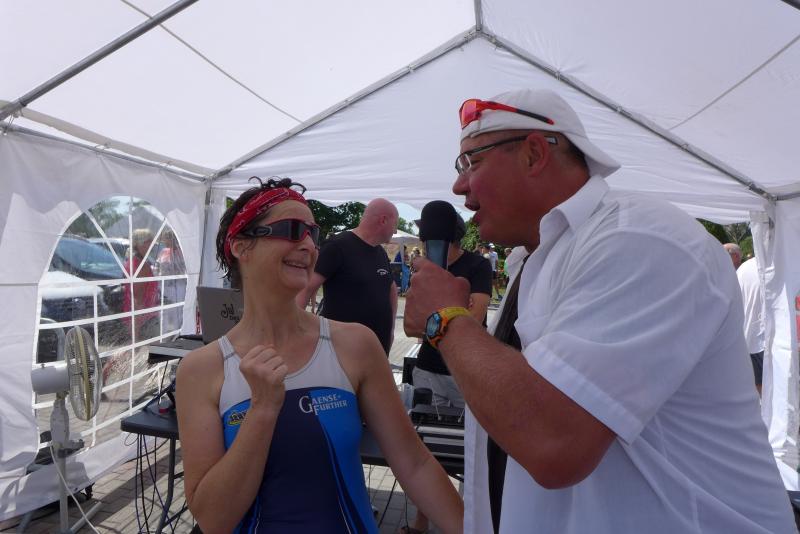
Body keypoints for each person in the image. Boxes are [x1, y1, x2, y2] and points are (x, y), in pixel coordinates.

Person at [403, 89, 794, 533]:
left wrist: (444, 318)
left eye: (471, 162)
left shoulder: (640, 238)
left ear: (534, 154)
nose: (459, 186)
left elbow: (553, 442)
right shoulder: (537, 258)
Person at [176, 178, 462, 534]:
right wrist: (262, 410)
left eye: (313, 233)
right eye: (292, 230)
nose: (310, 245)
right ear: (241, 246)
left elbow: (415, 464)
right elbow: (213, 520)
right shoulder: (201, 369)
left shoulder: (355, 344)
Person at [402, 209, 492, 534]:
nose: (427, 245)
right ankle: (421, 522)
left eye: (430, 237)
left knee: (470, 450)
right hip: (429, 368)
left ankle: (468, 522)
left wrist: (434, 321)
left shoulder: (477, 265)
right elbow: (411, 326)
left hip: (467, 371)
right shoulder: (425, 269)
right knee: (426, 449)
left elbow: (476, 316)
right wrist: (451, 318)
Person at [297, 198, 399, 355]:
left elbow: (391, 289)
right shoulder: (338, 246)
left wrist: (391, 330)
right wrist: (295, 331)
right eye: (395, 224)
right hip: (341, 352)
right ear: (383, 220)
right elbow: (306, 288)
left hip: (377, 351)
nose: (395, 231)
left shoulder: (380, 252)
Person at [123, 228, 159, 339]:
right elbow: (137, 297)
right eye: (149, 242)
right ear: (141, 244)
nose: (152, 245)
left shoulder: (133, 261)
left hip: (138, 313)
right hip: (144, 316)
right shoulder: (140, 265)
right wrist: (136, 329)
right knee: (155, 344)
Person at [737, 256, 765, 395]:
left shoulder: (743, 269)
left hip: (750, 336)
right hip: (761, 337)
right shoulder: (781, 265)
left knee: (759, 382)